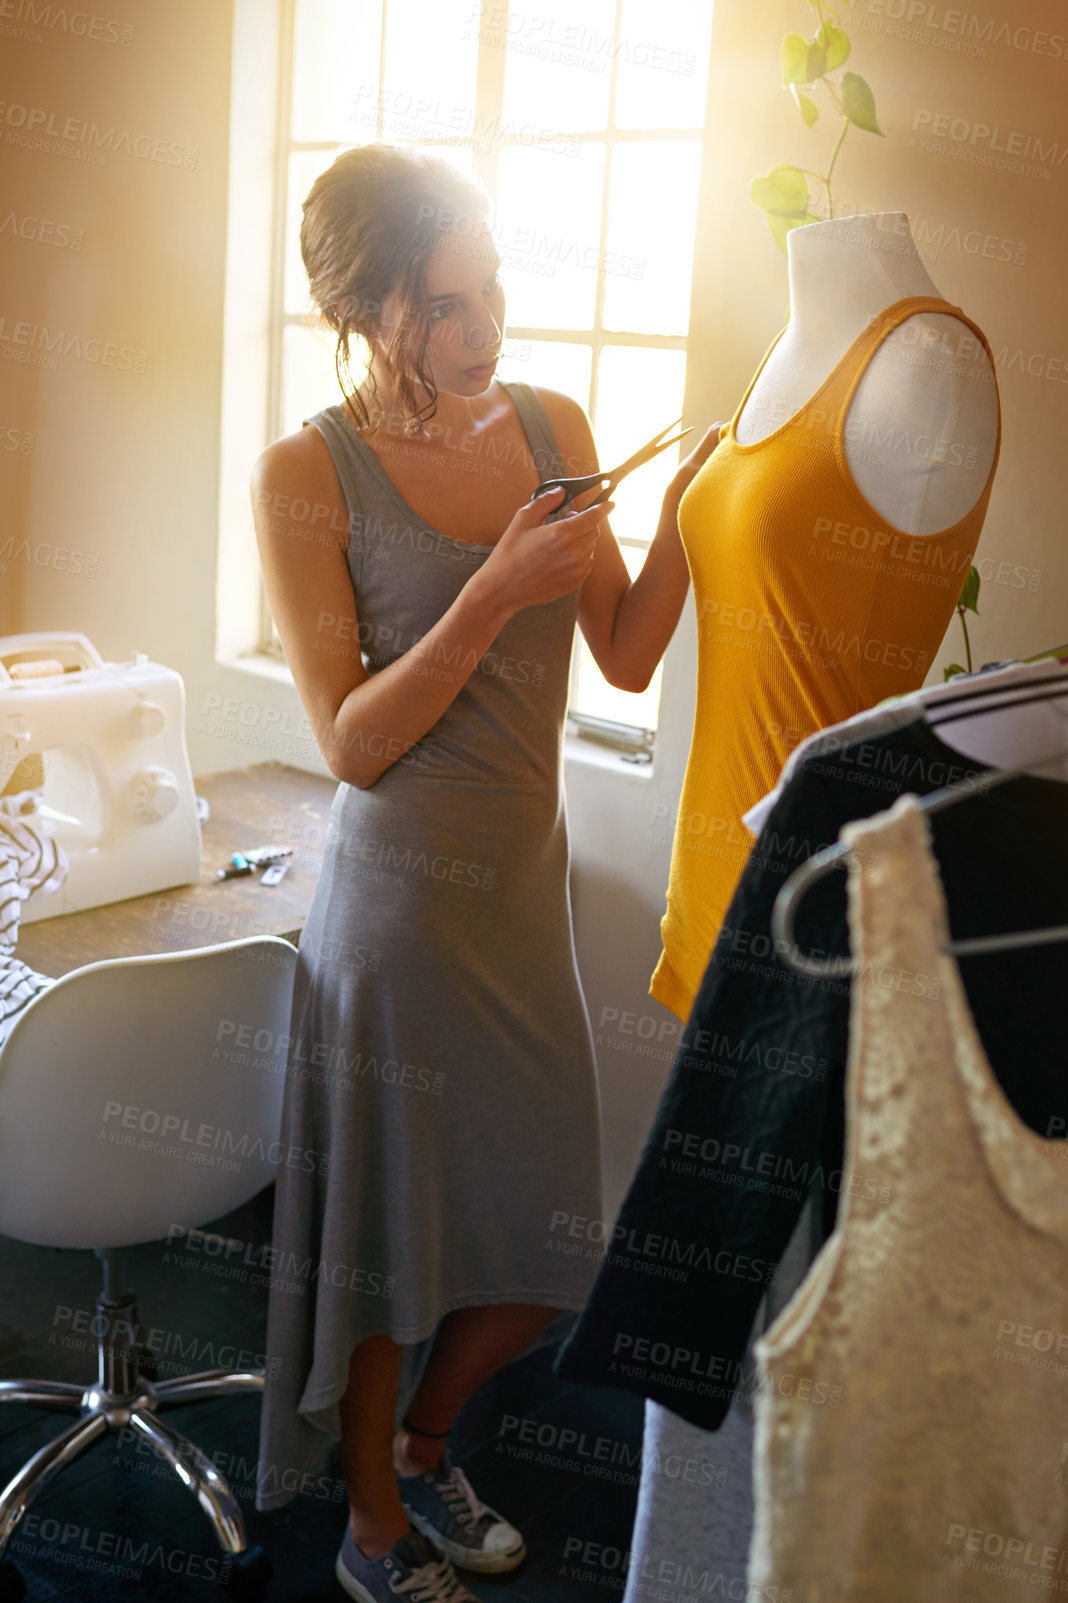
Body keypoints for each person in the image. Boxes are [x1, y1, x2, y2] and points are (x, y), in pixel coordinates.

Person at [249, 142, 721, 1603]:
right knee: (395, 1239)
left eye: (494, 291)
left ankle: (433, 1441)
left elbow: (629, 650)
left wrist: (695, 512)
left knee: (549, 1233)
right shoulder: (302, 473)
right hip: (394, 911)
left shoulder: (554, 423)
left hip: (519, 899)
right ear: (368, 307)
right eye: (448, 305)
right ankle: (374, 1528)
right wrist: (491, 591)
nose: (485, 329)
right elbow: (348, 741)